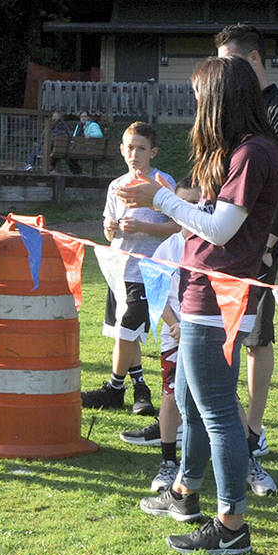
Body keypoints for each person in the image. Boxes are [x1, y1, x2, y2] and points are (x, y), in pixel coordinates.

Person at [123, 55, 278, 555]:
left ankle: (231, 525)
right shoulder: (238, 151)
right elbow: (214, 213)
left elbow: (220, 228)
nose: (195, 109)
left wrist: (161, 199)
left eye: (199, 99)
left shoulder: (254, 153)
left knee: (217, 412)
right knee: (192, 403)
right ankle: (186, 495)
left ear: (220, 101)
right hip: (201, 292)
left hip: (219, 299)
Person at [215, 24, 278, 460]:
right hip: (226, 235)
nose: (223, 72)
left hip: (260, 242)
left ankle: (254, 429)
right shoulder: (233, 110)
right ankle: (221, 418)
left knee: (255, 332)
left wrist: (267, 242)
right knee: (220, 328)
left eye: (229, 62)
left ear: (253, 59)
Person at [81, 122, 178, 415]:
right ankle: (139, 390)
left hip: (148, 271)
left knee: (126, 332)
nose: (134, 153)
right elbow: (110, 232)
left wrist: (144, 227)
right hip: (119, 269)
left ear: (153, 152)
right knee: (128, 333)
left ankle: (114, 386)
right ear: (122, 150)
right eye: (130, 147)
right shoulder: (116, 185)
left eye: (141, 148)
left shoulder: (162, 182)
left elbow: (178, 227)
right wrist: (110, 228)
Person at [119, 178, 200, 491]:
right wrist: (174, 324)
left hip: (208, 333)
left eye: (196, 203)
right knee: (171, 395)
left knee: (224, 397)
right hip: (176, 335)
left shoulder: (215, 246)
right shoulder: (168, 248)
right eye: (184, 204)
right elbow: (158, 292)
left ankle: (246, 456)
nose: (189, 210)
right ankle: (168, 462)